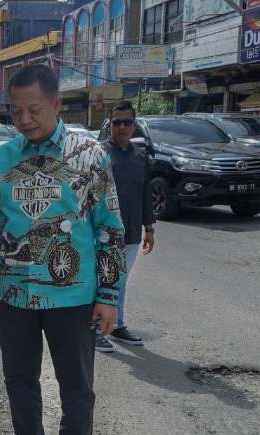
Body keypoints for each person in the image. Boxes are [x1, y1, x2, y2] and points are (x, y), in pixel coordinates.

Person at [0, 64, 126, 435]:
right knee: (19, 380)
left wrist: (109, 296)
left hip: (72, 297)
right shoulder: (1, 159)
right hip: (12, 294)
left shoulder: (90, 156)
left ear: (57, 104)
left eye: (34, 109)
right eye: (15, 111)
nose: (24, 119)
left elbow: (110, 229)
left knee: (76, 388)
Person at [95, 101, 155, 353]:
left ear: (135, 124)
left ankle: (117, 325)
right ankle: (96, 328)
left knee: (120, 280)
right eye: (116, 122)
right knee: (101, 280)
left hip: (131, 232)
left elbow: (145, 194)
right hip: (101, 233)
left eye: (127, 122)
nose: (121, 127)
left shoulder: (141, 156)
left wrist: (149, 228)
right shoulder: (98, 154)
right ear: (109, 124)